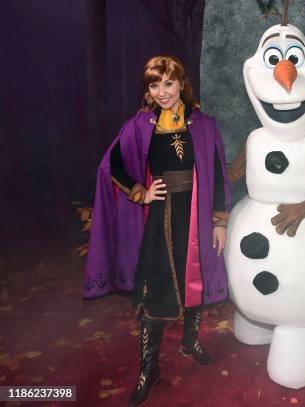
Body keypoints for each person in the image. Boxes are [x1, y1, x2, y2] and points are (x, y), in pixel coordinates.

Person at [83, 56, 231, 406]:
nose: (162, 92)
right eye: (154, 85)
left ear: (181, 83)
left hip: (196, 215)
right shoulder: (138, 124)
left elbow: (217, 173)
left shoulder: (205, 124)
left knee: (194, 280)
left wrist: (220, 221)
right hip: (160, 219)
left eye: (168, 83)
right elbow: (112, 164)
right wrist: (139, 191)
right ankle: (150, 370)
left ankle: (189, 341)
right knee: (156, 289)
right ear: (147, 91)